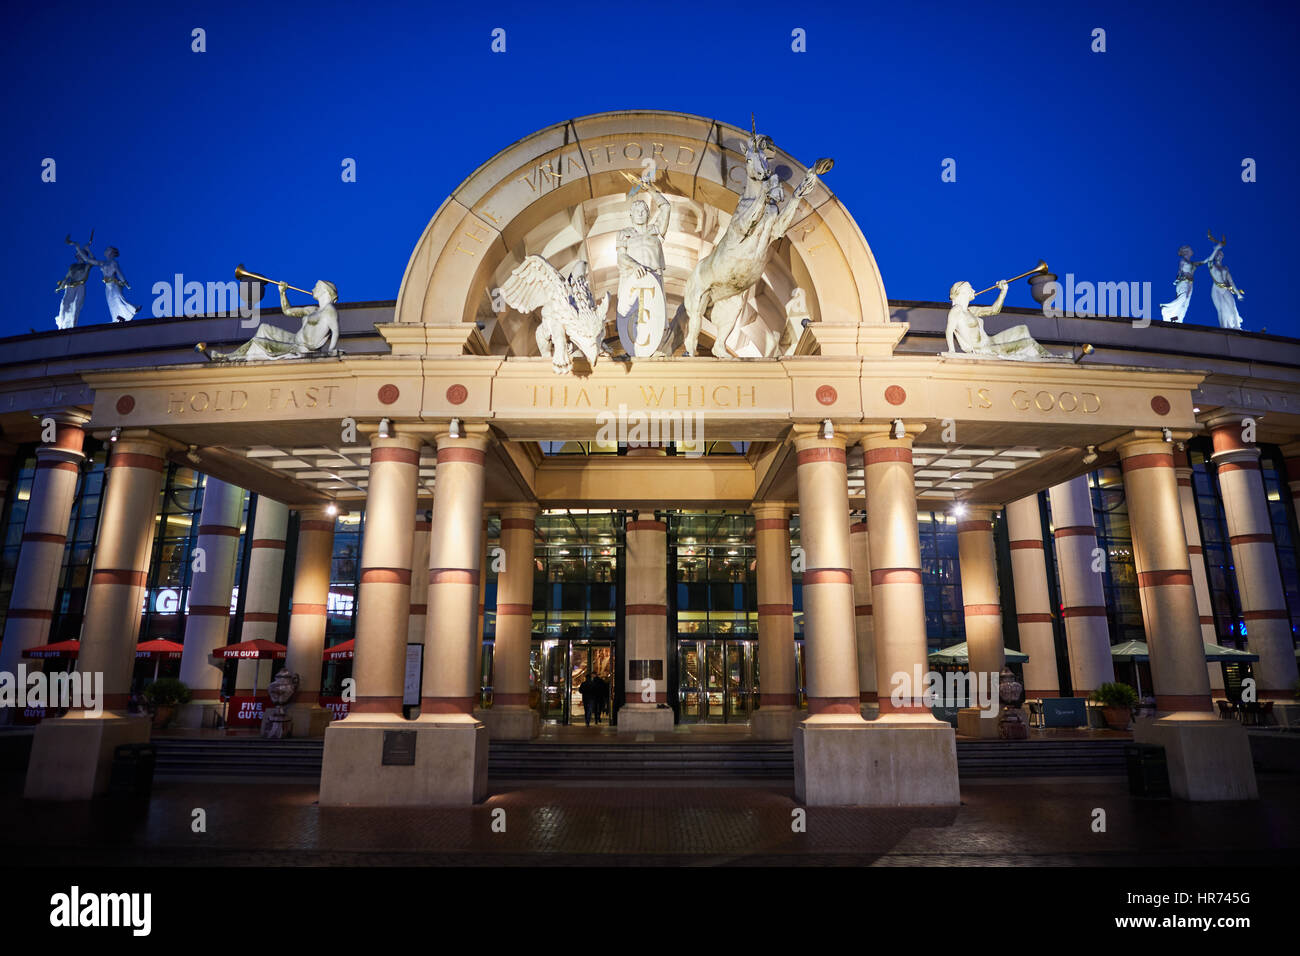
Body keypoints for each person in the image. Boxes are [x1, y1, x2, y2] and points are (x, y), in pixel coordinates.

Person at [201, 279, 339, 361]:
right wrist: (282, 292)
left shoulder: (330, 310)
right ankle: (241, 358)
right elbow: (287, 311)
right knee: (264, 328)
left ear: (325, 291)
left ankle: (229, 358)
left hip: (302, 348)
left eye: (316, 286)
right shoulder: (312, 309)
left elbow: (335, 331)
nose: (313, 288)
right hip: (293, 340)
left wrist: (331, 350)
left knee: (257, 342)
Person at [945, 279, 1052, 359]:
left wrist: (1003, 291)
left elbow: (994, 310)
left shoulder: (971, 310)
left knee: (1022, 330)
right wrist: (952, 351)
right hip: (983, 349)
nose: (974, 290)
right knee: (1027, 343)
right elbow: (949, 330)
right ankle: (1050, 359)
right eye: (970, 288)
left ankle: (1048, 357)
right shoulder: (957, 310)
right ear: (962, 292)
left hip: (991, 342)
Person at [1159, 243, 1219, 323]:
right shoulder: (1183, 261)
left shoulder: (1193, 263)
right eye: (1190, 249)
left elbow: (1206, 260)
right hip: (1183, 282)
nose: (1192, 251)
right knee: (1182, 298)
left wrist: (1216, 249)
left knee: (1185, 304)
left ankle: (1178, 319)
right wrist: (1178, 278)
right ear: (1186, 252)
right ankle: (1167, 309)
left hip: (1190, 284)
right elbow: (1179, 272)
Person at [94, 246, 141, 322]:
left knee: (119, 299)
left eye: (108, 249)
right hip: (107, 286)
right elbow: (89, 260)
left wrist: (125, 282)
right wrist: (79, 247)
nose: (105, 250)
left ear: (111, 252)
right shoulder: (102, 263)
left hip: (114, 284)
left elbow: (119, 273)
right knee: (112, 302)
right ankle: (117, 317)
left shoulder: (113, 262)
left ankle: (132, 310)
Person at [1206, 248, 1245, 330]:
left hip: (1225, 289)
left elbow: (1231, 282)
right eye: (1217, 255)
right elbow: (1209, 261)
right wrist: (1216, 249)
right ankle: (1223, 328)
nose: (1218, 256)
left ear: (1222, 257)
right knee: (1220, 309)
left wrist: (1238, 294)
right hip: (1216, 289)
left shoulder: (1225, 268)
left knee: (1233, 307)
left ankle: (1237, 326)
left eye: (1220, 255)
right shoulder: (1213, 266)